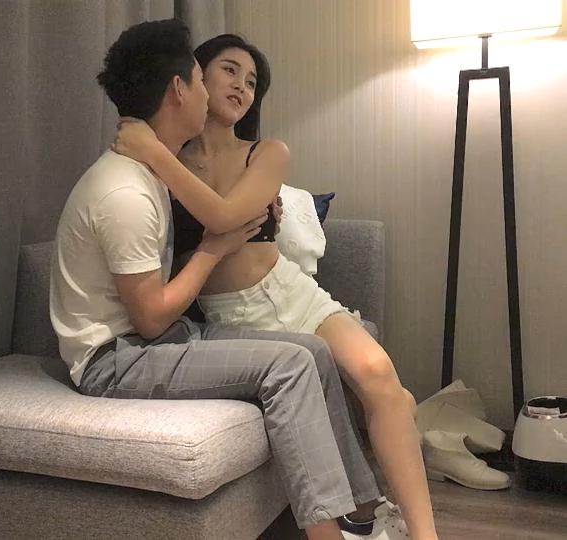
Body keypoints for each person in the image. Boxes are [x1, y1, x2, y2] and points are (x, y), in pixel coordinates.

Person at [49, 19, 407, 540]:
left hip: (157, 339)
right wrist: (214, 249)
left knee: (313, 350)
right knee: (288, 364)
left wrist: (269, 214)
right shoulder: (124, 191)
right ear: (180, 89)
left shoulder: (159, 171)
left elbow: (225, 204)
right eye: (204, 77)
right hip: (116, 359)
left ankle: (362, 515)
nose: (223, 90)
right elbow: (150, 319)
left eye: (249, 80)